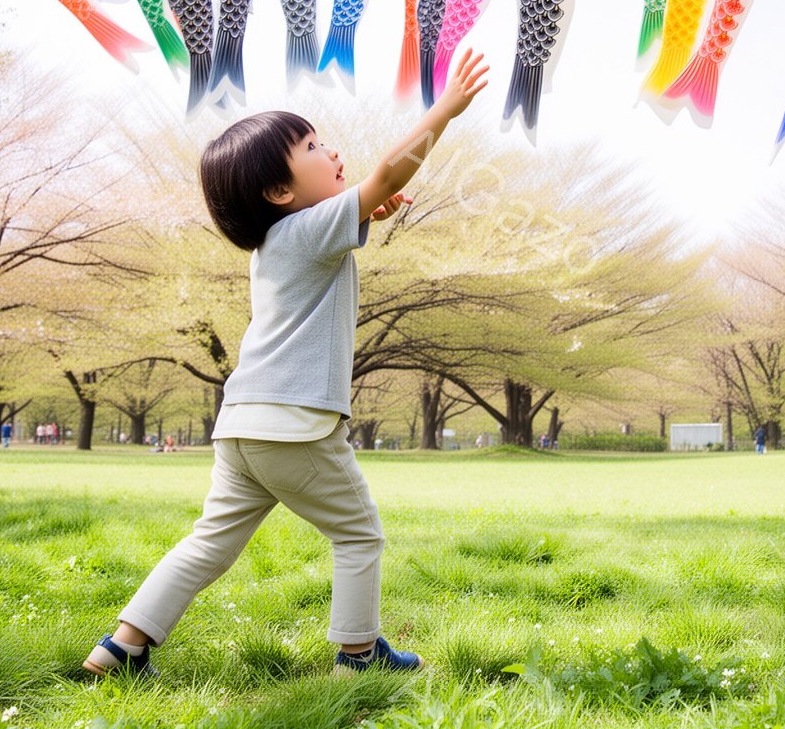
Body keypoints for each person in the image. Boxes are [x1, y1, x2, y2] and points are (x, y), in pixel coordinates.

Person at [82, 49, 490, 680]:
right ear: (279, 190)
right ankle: (358, 657)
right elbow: (385, 173)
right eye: (312, 146)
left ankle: (120, 648)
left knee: (209, 544)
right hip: (293, 423)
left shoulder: (277, 242)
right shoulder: (307, 231)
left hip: (243, 424)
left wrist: (365, 211)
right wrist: (447, 109)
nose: (331, 152)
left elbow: (358, 205)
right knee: (358, 535)